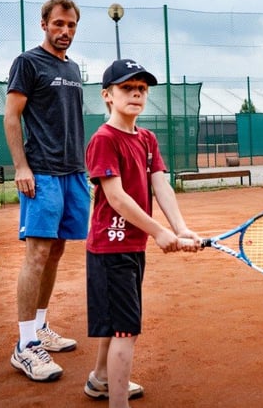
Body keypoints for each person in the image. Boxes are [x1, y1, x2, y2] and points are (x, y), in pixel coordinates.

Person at [84, 59, 200, 406]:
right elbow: (116, 198)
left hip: (131, 247)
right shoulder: (104, 139)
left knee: (116, 321)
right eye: (126, 88)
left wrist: (181, 228)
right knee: (126, 330)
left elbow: (160, 186)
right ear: (107, 95)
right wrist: (159, 232)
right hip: (111, 249)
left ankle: (100, 379)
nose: (136, 94)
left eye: (142, 89)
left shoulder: (147, 139)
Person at [4, 0, 89, 382]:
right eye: (58, 24)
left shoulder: (73, 68)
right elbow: (11, 117)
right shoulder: (27, 62)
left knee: (55, 251)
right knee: (37, 254)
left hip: (73, 173)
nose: (65, 32)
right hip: (42, 172)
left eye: (71, 26)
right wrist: (22, 166)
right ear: (43, 24)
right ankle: (24, 346)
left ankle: (39, 328)